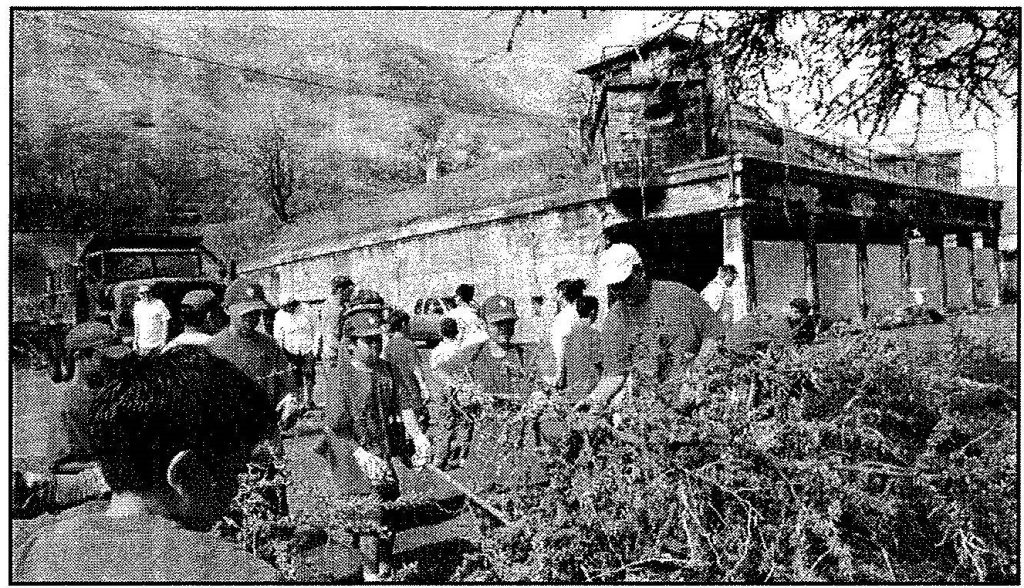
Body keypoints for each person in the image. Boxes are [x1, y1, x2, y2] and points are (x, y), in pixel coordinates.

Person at [12, 346, 280, 582]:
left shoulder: (37, 549)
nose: (235, 489)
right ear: (187, 473)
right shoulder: (243, 574)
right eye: (232, 470)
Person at [578, 244, 725, 417]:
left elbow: (714, 335)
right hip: (652, 409)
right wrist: (596, 398)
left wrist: (695, 373)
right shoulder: (614, 320)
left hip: (698, 398)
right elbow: (614, 374)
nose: (620, 292)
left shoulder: (678, 295)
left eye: (625, 284)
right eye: (614, 287)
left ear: (640, 271)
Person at [315, 308, 404, 581]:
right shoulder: (340, 377)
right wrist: (360, 453)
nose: (376, 345)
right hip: (351, 457)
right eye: (369, 341)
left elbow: (396, 408)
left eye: (378, 339)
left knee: (389, 512)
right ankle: (371, 575)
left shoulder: (385, 369)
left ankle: (386, 569)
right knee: (368, 521)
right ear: (352, 344)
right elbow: (334, 426)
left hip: (382, 453)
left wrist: (409, 437)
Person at [382, 309, 431, 469]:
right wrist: (424, 388)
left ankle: (408, 458)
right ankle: (423, 457)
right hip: (410, 392)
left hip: (396, 392)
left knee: (404, 426)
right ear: (403, 324)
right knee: (415, 429)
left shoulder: (388, 346)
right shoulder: (409, 345)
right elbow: (417, 369)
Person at [275, 293, 322, 410]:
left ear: (294, 304)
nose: (286, 309)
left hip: (307, 349)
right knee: (293, 376)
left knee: (309, 375)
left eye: (288, 307)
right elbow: (278, 336)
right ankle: (297, 403)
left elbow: (317, 330)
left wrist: (315, 349)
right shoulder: (279, 315)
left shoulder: (308, 310)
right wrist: (280, 353)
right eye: (284, 307)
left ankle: (309, 401)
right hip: (289, 350)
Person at [549, 279, 587, 390]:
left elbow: (560, 349)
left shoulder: (562, 318)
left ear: (561, 293)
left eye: (555, 291)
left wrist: (559, 377)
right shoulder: (579, 313)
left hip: (568, 371)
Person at [321, 275, 356, 367]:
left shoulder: (342, 306)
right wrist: (348, 349)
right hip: (334, 356)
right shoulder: (333, 308)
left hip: (341, 353)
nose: (352, 293)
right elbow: (331, 337)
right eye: (350, 290)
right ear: (340, 289)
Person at [132, 283, 170, 355]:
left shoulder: (159, 304)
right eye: (142, 293)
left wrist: (163, 342)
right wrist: (135, 342)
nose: (145, 295)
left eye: (148, 292)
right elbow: (137, 326)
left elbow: (165, 323)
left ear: (151, 292)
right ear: (138, 295)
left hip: (157, 345)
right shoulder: (137, 306)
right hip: (142, 345)